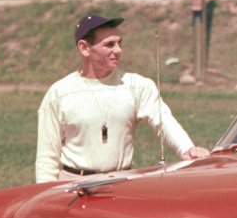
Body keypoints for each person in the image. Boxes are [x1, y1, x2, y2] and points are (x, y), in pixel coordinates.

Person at [35, 13, 210, 182]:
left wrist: (187, 149)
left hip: (121, 182)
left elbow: (164, 121)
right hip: (71, 184)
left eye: (120, 43)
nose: (118, 50)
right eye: (109, 44)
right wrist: (44, 196)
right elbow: (47, 157)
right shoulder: (60, 93)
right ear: (84, 48)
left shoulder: (137, 86)